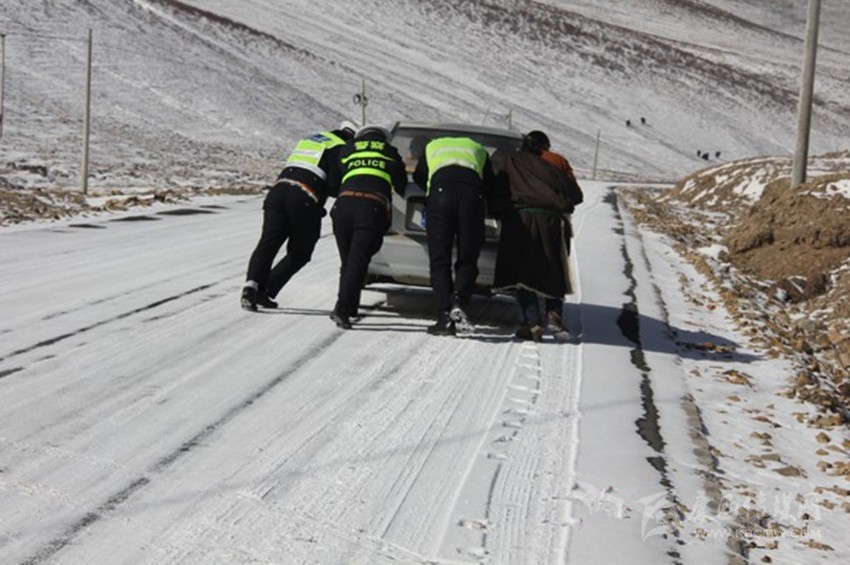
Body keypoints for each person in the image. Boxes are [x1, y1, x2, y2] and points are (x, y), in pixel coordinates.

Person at [241, 122, 357, 311]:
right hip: (304, 195)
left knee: (268, 242)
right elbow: (334, 185)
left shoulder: (312, 139)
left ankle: (250, 289)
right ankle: (267, 289)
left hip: (278, 191)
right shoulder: (340, 147)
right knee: (300, 252)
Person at [492, 130, 583, 341]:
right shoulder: (555, 164)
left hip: (520, 220)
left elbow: (498, 188)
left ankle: (532, 323)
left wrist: (501, 211)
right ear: (544, 148)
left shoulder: (510, 160)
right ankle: (554, 314)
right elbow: (576, 196)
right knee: (553, 268)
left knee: (522, 272)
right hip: (552, 222)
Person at [412, 136, 496, 336]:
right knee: (468, 256)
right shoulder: (478, 149)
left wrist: (432, 190)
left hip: (440, 194)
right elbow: (490, 184)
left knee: (439, 258)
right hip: (472, 196)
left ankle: (444, 316)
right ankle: (459, 300)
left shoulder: (431, 146)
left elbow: (418, 177)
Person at [327, 124, 407, 329]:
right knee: (357, 261)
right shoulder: (390, 151)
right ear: (384, 139)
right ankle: (342, 309)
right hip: (371, 207)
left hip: (343, 206)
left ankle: (349, 307)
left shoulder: (348, 148)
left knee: (348, 261)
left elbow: (334, 182)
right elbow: (401, 184)